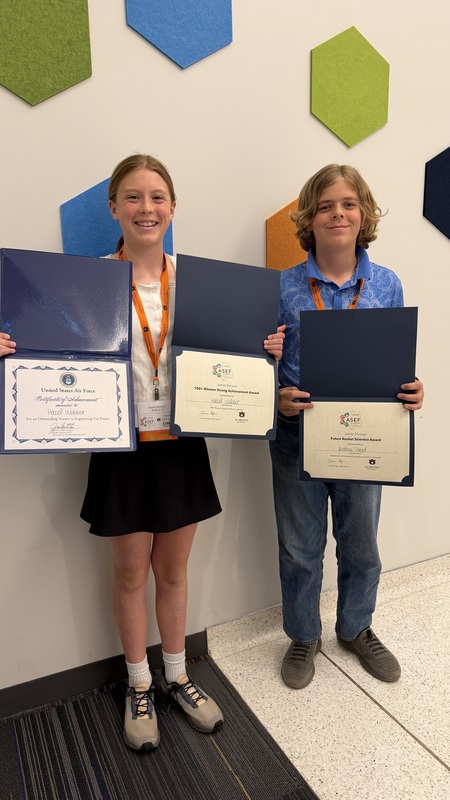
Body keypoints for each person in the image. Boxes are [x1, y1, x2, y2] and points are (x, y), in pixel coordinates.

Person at [0, 153, 285, 751]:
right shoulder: (85, 285)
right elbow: (50, 352)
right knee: (131, 573)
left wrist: (263, 351)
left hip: (181, 445)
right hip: (120, 448)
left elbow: (228, 355)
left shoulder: (199, 284)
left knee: (173, 571)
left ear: (173, 208)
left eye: (157, 197)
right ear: (113, 208)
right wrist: (14, 349)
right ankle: (139, 685)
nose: (146, 208)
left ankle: (177, 676)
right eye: (132, 196)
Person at [270, 164, 424, 691]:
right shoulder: (283, 286)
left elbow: (395, 362)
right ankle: (303, 635)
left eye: (349, 204)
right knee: (298, 546)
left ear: (364, 215)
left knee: (361, 544)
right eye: (325, 206)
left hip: (367, 436)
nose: (338, 214)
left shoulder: (387, 283)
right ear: (309, 219)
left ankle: (356, 627)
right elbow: (262, 363)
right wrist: (277, 398)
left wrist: (413, 389)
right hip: (297, 435)